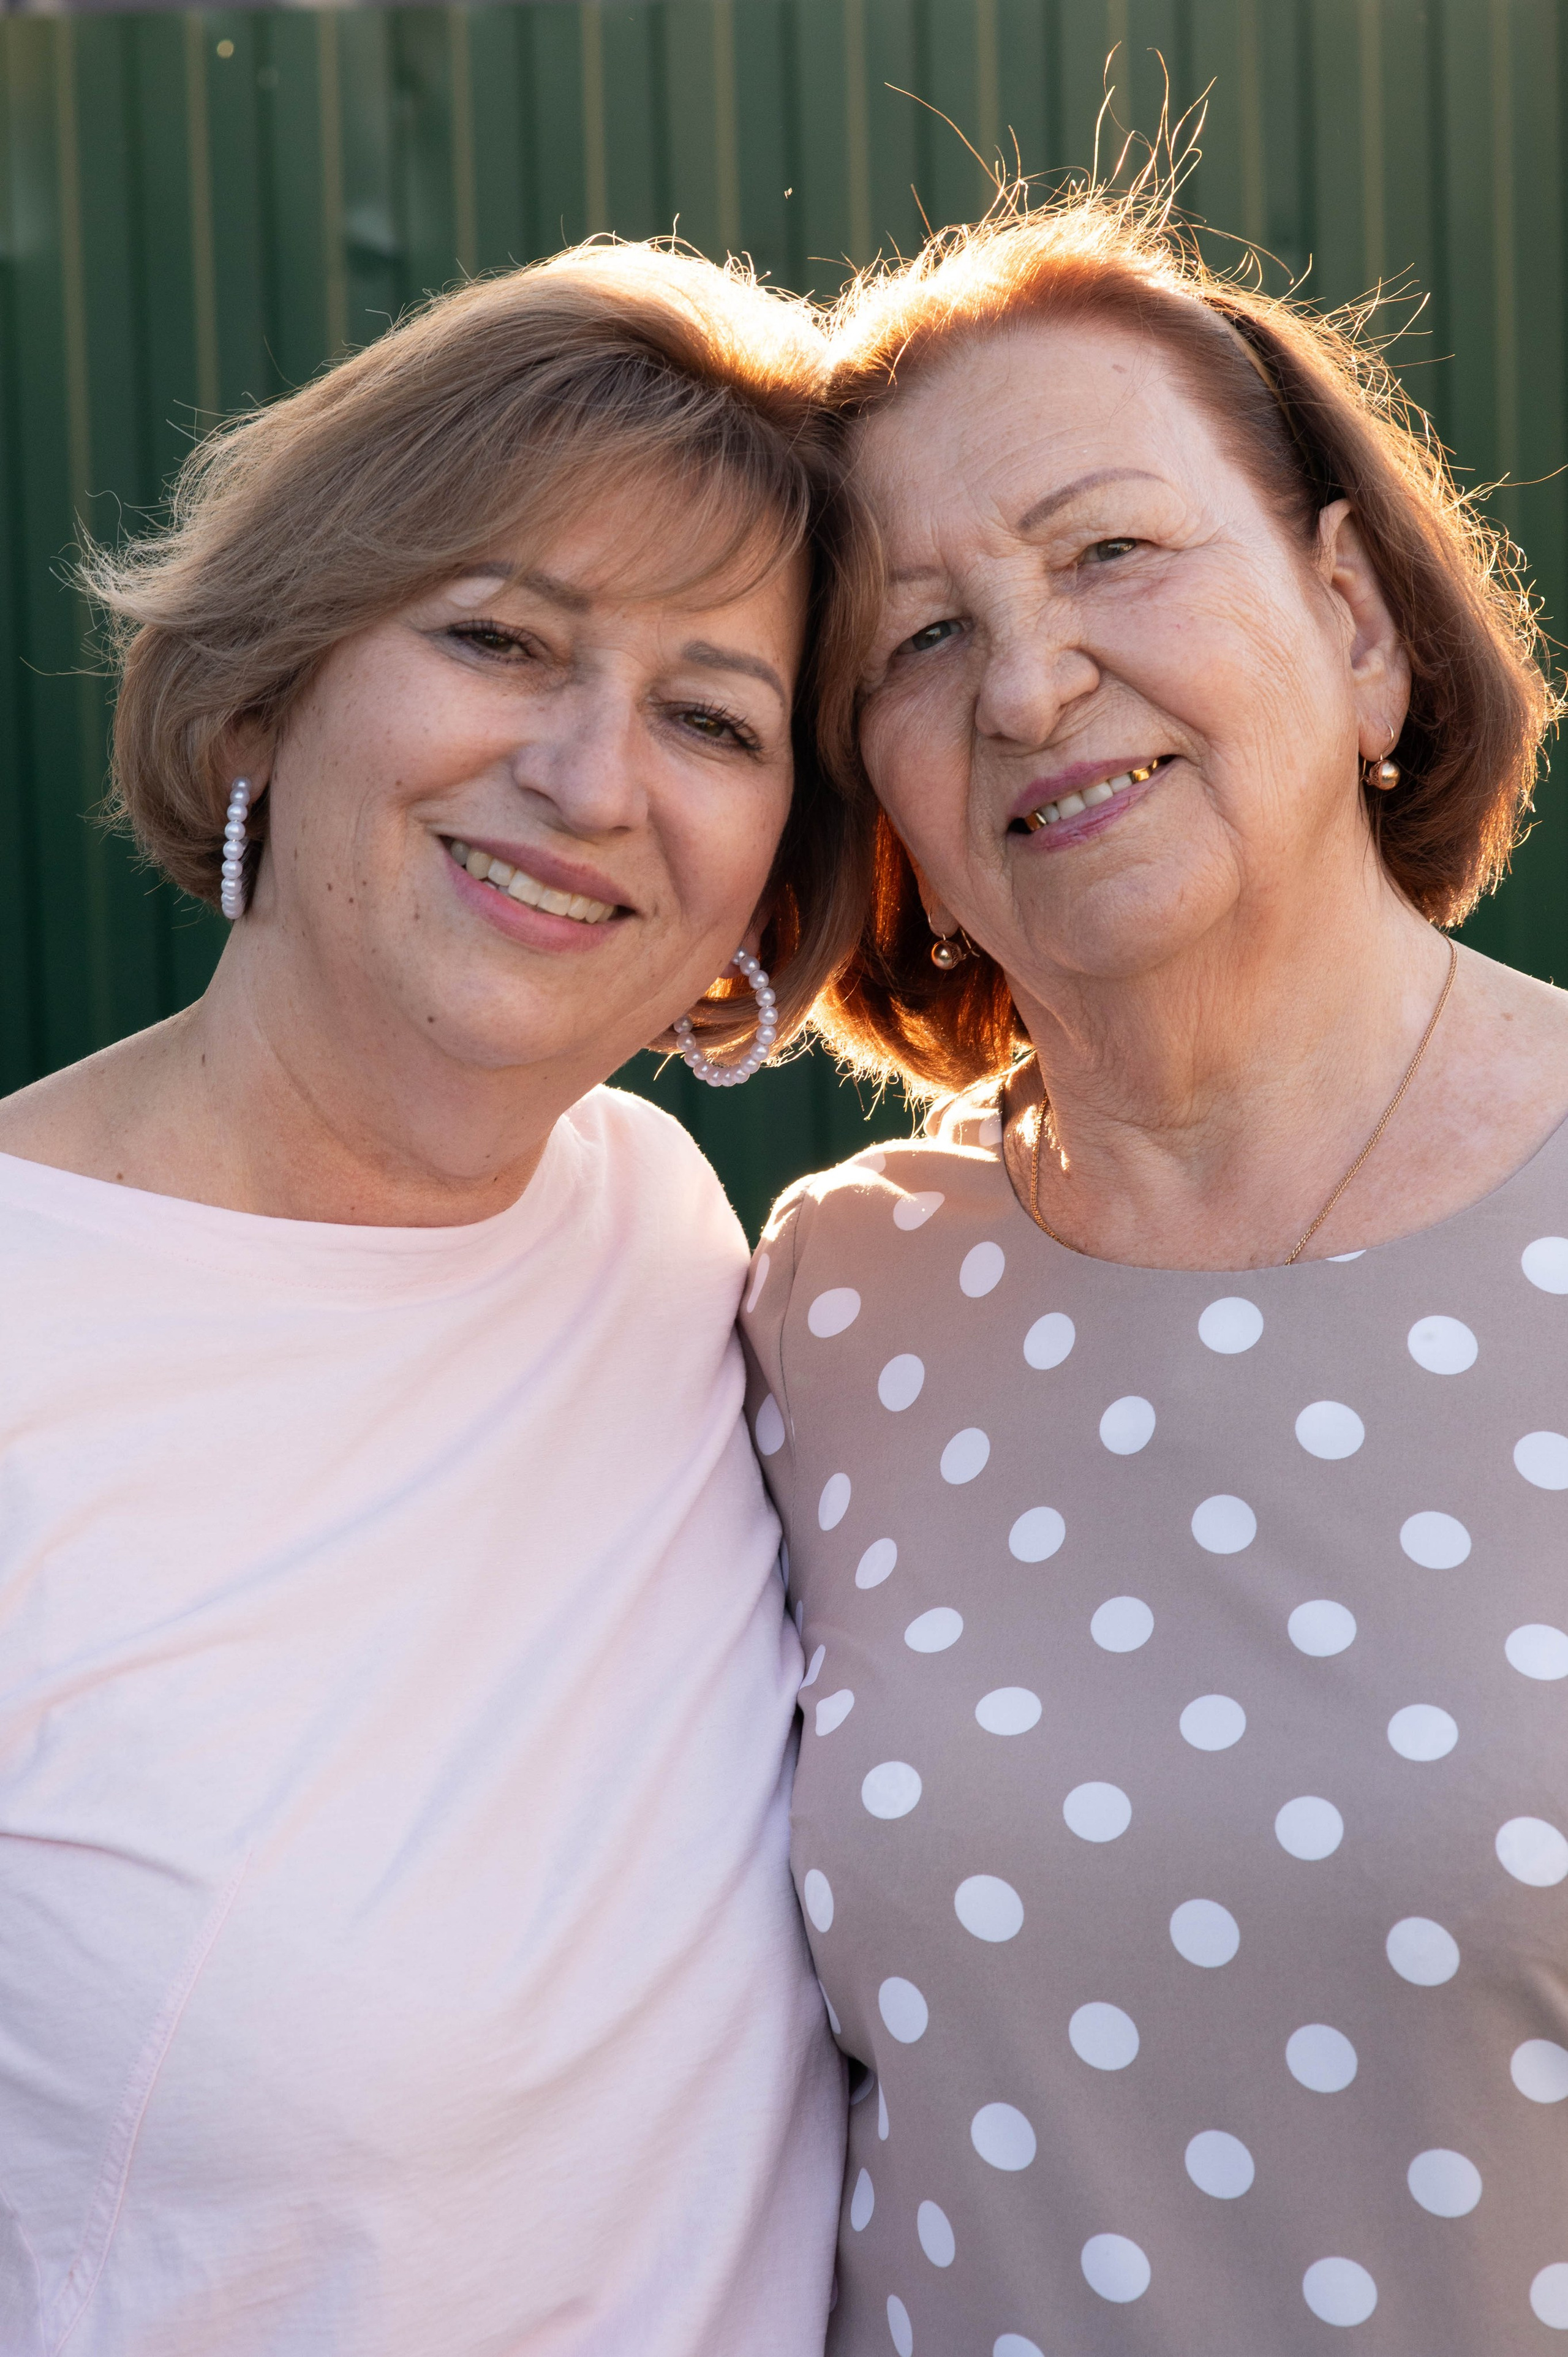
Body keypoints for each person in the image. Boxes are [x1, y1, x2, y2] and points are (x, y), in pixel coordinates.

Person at [0, 241, 874, 2356]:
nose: (592, 776)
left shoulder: (674, 1244)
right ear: (269, 689)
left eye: (711, 714)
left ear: (766, 881)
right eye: (498, 636)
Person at [742, 187, 1568, 2356]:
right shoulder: (828, 1308)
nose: (1027, 683)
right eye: (918, 642)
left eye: (1111, 551)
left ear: (1360, 626)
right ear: (879, 801)